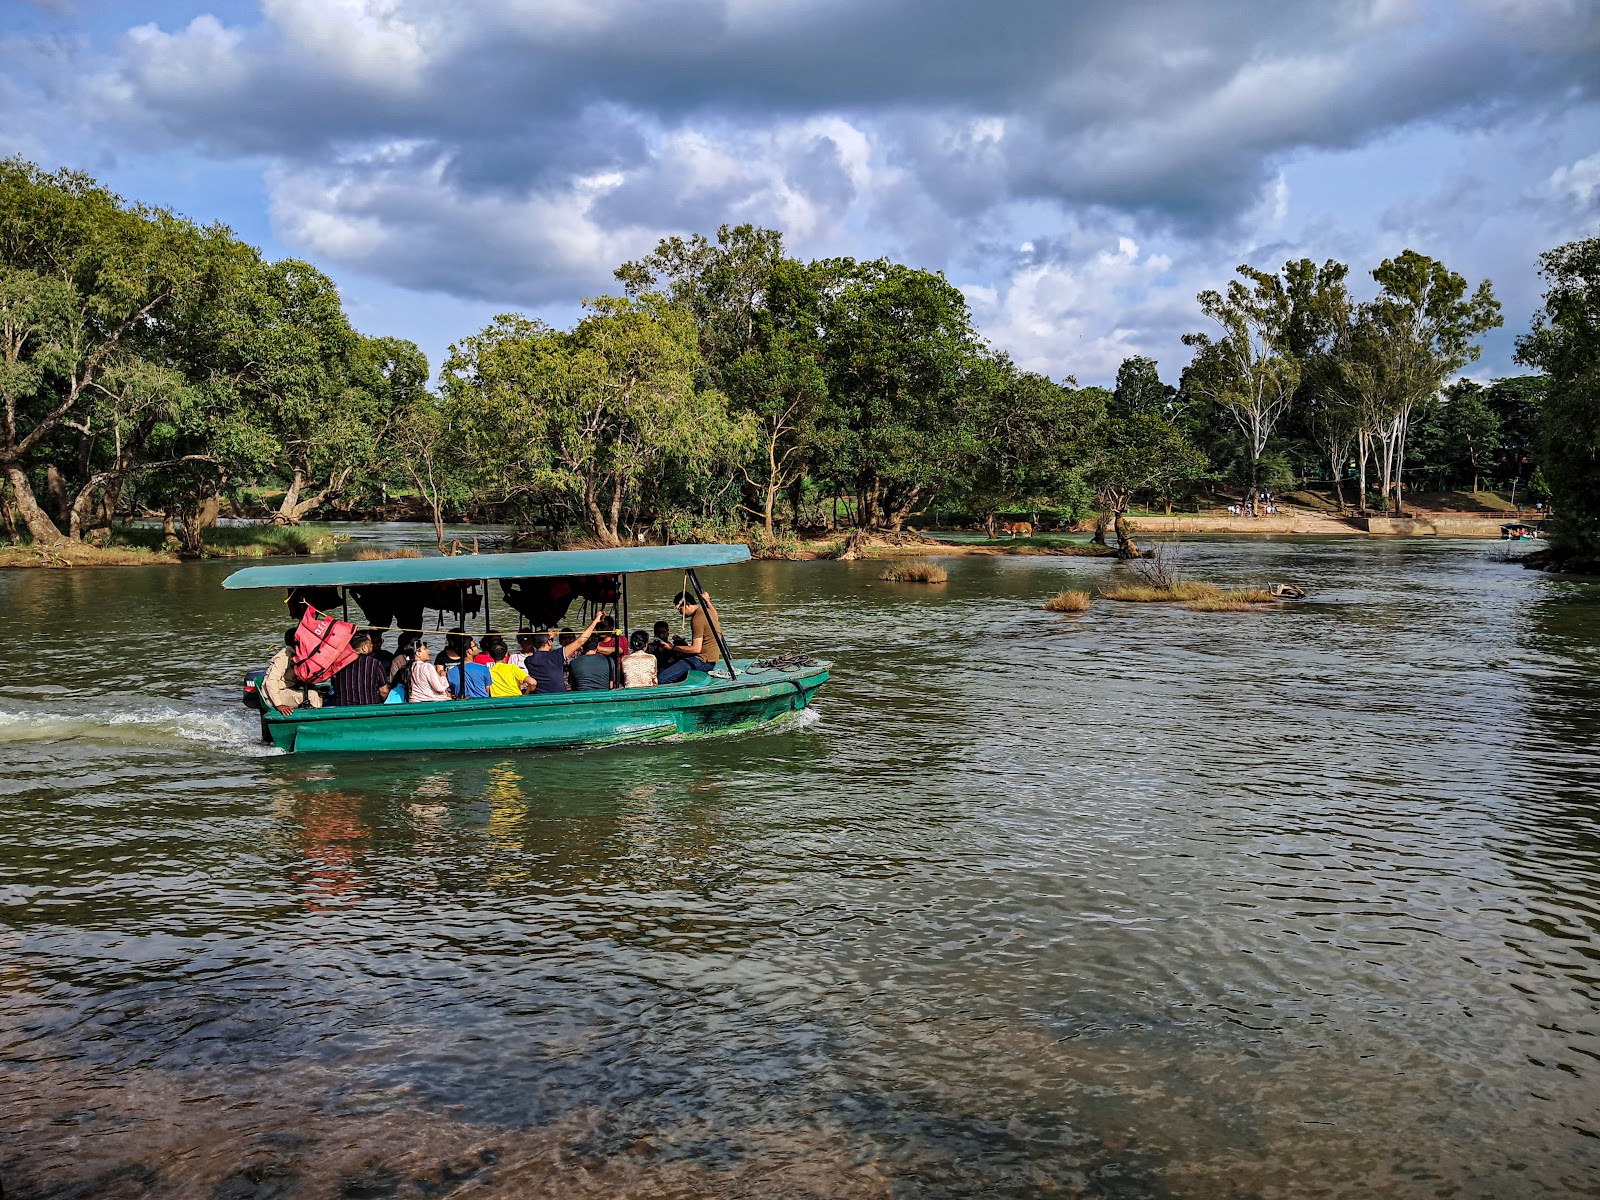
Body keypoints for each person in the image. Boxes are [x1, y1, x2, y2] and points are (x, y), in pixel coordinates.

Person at [524, 612, 604, 694]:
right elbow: (581, 640)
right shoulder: (555, 656)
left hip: (540, 698)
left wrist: (547, 636)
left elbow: (540, 649)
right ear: (549, 643)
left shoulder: (528, 660)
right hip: (559, 697)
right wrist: (595, 621)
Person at [658, 589, 723, 685]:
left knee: (662, 678)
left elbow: (696, 649)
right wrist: (707, 601)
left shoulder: (697, 619)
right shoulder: (708, 612)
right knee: (664, 667)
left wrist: (673, 648)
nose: (680, 613)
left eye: (680, 609)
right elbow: (716, 615)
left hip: (703, 662)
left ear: (687, 604)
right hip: (709, 660)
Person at [261, 626, 323, 716]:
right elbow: (271, 682)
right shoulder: (284, 656)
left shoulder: (298, 655)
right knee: (312, 695)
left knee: (320, 693)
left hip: (288, 690)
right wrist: (279, 705)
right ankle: (315, 722)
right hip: (276, 694)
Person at [330, 631, 390, 706]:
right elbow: (384, 691)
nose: (372, 646)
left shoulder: (338, 663)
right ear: (364, 647)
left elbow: (334, 685)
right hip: (369, 709)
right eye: (370, 644)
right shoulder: (375, 664)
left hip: (343, 709)